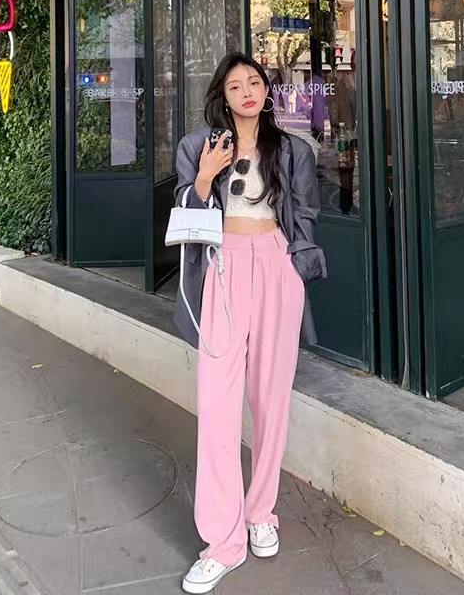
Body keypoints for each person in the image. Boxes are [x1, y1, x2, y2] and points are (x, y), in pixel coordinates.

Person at [174, 52, 326, 594]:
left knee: (270, 400)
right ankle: (223, 540)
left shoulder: (292, 149)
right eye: (236, 84)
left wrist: (295, 267)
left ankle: (261, 511)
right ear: (223, 93)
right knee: (217, 403)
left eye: (255, 81)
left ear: (266, 90)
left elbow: (306, 215)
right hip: (224, 266)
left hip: (276, 266)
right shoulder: (198, 146)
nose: (247, 91)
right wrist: (204, 177)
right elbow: (184, 216)